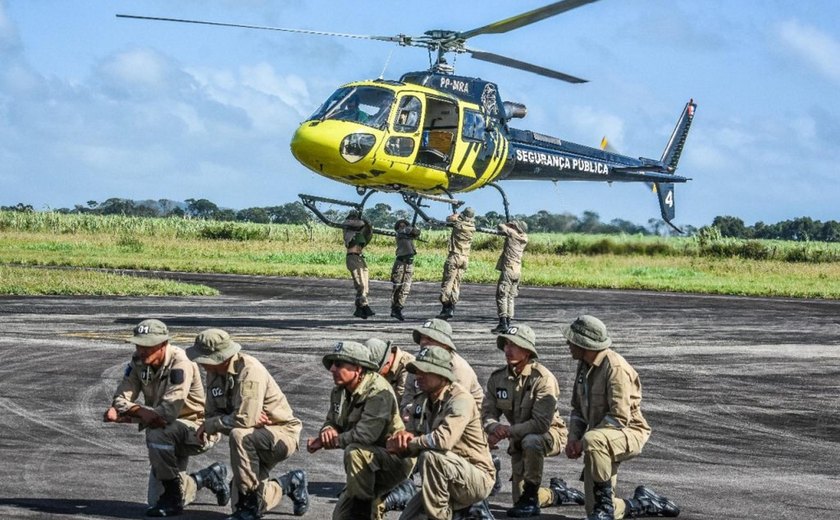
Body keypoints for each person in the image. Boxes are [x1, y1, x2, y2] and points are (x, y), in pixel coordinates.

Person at [104, 319, 230, 517]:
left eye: (147, 346)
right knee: (154, 501)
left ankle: (172, 498)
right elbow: (119, 399)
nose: (141, 350)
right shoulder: (138, 362)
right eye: (138, 344)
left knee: (158, 433)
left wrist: (131, 413)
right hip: (167, 430)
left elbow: (167, 414)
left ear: (163, 344)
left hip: (195, 430)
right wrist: (138, 411)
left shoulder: (181, 363)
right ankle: (206, 478)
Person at [562, 315, 680, 519]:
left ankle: (605, 508)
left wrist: (583, 442)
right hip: (601, 438)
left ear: (585, 343)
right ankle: (642, 503)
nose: (567, 343)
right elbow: (578, 410)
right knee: (592, 511)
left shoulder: (615, 367)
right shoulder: (584, 366)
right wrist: (573, 437)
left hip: (628, 433)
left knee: (593, 439)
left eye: (572, 340)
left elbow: (619, 418)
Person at [188, 328, 309, 520]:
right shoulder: (214, 373)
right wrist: (241, 420)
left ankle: (249, 505)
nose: (200, 362)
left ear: (220, 357)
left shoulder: (249, 370)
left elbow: (241, 420)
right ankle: (289, 483)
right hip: (253, 437)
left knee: (239, 435)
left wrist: (223, 423)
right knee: (238, 503)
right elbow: (213, 413)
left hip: (280, 433)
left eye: (203, 358)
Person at [482, 324, 584, 517]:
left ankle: (531, 498)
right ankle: (557, 494)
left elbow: (540, 424)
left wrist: (506, 432)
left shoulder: (543, 379)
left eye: (515, 345)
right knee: (517, 499)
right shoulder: (497, 378)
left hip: (549, 434)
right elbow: (487, 413)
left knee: (532, 441)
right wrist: (494, 428)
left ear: (528, 351)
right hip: (518, 437)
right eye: (506, 344)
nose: (508, 350)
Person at [307, 341, 415, 519]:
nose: (332, 369)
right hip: (367, 460)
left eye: (339, 364)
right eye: (333, 364)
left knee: (354, 452)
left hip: (393, 460)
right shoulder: (339, 392)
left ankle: (363, 510)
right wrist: (328, 430)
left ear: (357, 369)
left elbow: (365, 436)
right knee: (341, 515)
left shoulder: (378, 392)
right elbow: (332, 420)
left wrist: (327, 442)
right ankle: (366, 508)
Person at [386, 346, 496, 520]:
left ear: (442, 375)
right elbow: (411, 437)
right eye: (416, 371)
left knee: (430, 457)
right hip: (440, 476)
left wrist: (411, 442)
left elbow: (443, 441)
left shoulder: (460, 399)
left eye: (425, 371)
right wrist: (399, 443)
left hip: (474, 476)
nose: (418, 376)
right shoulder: (421, 401)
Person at [400, 319, 483, 414]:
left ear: (445, 345)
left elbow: (458, 404)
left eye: (430, 339)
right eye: (422, 337)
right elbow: (407, 397)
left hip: (459, 417)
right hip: (426, 417)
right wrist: (407, 409)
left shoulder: (458, 368)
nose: (423, 342)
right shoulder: (418, 363)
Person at [437, 207, 476, 320]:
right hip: (465, 258)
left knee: (447, 283)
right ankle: (452, 307)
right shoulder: (472, 227)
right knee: (456, 284)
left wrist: (457, 215)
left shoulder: (458, 225)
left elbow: (449, 219)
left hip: (455, 256)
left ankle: (445, 306)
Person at [491, 220, 529, 334]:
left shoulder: (512, 234)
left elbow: (500, 226)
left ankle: (503, 323)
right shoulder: (524, 238)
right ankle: (508, 321)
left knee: (502, 296)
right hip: (517, 271)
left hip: (508, 270)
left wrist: (508, 224)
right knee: (511, 297)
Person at [343, 209, 375, 319]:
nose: (355, 220)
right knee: (360, 284)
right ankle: (364, 306)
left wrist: (368, 225)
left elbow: (368, 233)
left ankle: (360, 309)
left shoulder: (359, 234)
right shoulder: (348, 230)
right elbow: (355, 223)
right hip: (352, 257)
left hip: (360, 258)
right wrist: (362, 220)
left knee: (365, 286)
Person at [365, 337, 416, 404]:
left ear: (387, 363)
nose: (377, 375)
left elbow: (402, 399)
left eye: (378, 372)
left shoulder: (408, 365)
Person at [390, 219, 421, 321]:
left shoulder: (410, 234)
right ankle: (394, 307)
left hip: (409, 264)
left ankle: (399, 307)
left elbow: (417, 232)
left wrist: (412, 230)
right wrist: (409, 229)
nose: (402, 227)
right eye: (400, 226)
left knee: (406, 287)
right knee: (397, 286)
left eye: (404, 225)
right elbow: (405, 231)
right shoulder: (399, 234)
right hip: (400, 263)